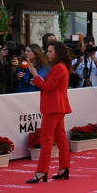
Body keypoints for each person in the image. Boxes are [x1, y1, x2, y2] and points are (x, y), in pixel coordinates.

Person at [26, 42, 73, 184]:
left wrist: (35, 75)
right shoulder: (61, 67)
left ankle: (41, 172)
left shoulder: (58, 67)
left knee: (47, 139)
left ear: (58, 53)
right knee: (60, 138)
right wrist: (39, 80)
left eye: (50, 51)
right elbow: (50, 85)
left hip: (53, 107)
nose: (47, 53)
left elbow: (48, 87)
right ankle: (64, 168)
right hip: (57, 106)